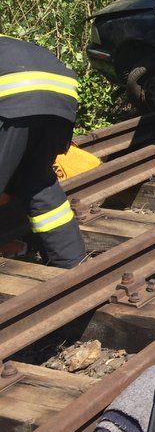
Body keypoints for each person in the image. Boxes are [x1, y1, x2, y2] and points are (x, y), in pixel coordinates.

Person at [0, 36, 86, 267]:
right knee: (37, 182)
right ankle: (71, 262)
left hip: (13, 97)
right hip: (62, 99)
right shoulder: (8, 42)